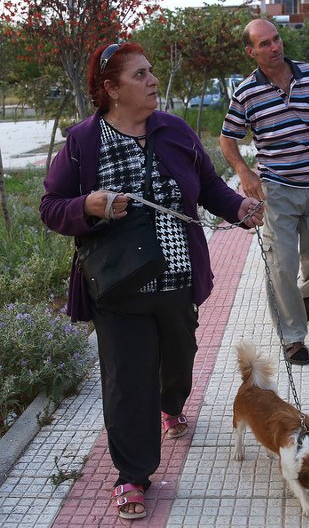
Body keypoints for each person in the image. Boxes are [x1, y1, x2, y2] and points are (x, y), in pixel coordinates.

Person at [39, 42, 264, 521]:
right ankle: (133, 475)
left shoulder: (175, 130)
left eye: (152, 72)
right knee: (127, 381)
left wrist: (238, 208)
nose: (153, 81)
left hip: (178, 277)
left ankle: (172, 402)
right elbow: (51, 207)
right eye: (140, 75)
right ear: (111, 89)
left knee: (179, 359)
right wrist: (89, 206)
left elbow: (207, 186)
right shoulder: (82, 142)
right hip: (118, 288)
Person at [220, 18, 309, 367]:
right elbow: (227, 139)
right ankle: (293, 337)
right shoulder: (247, 92)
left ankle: (303, 296)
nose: (274, 47)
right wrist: (244, 172)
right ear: (251, 51)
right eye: (264, 44)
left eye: (276, 40)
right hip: (276, 189)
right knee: (282, 264)